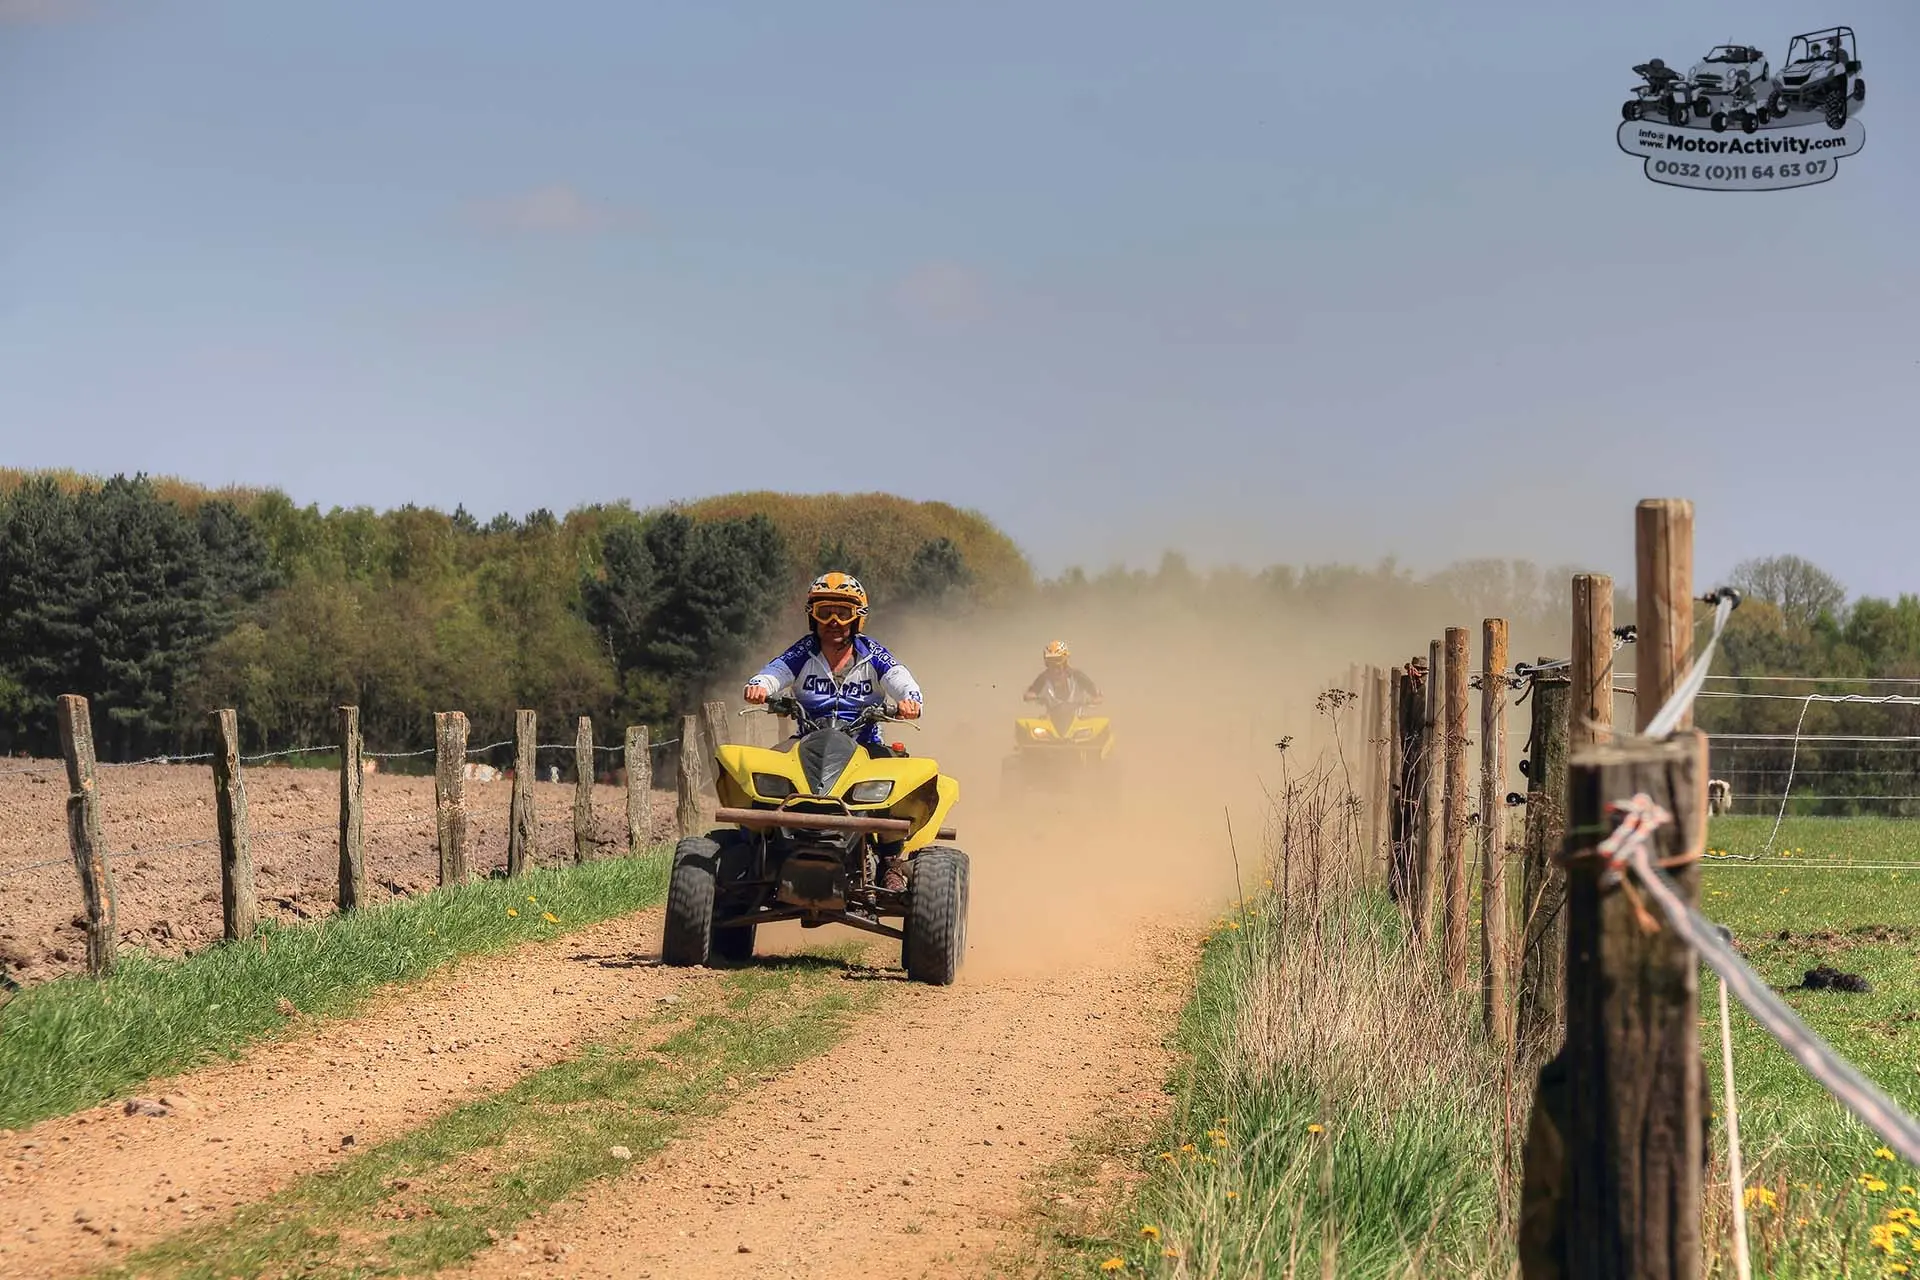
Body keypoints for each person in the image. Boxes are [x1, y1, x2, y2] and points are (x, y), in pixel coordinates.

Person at [1024, 640, 1102, 707]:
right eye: (1051, 661)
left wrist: (1093, 700)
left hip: (1077, 717)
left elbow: (1097, 694)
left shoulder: (1077, 676)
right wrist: (1034, 697)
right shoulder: (1044, 678)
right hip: (1051, 717)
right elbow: (1030, 693)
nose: (1054, 667)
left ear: (1065, 661)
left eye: (1057, 660)